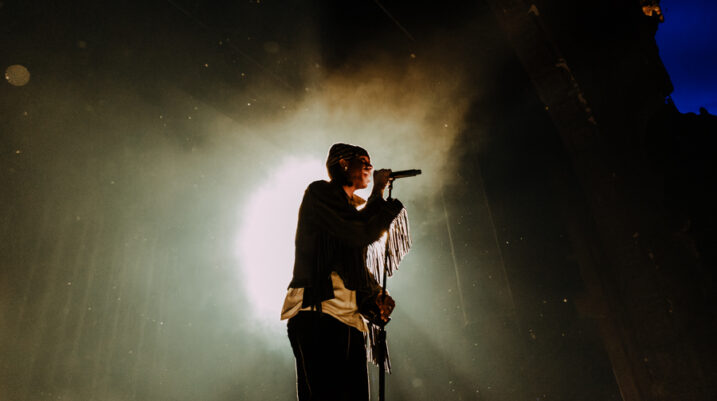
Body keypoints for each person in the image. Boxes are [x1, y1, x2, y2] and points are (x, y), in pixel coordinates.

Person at [281, 143, 410, 401]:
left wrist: (375, 298)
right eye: (363, 160)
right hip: (319, 315)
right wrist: (378, 191)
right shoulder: (320, 193)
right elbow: (358, 231)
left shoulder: (350, 214)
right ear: (343, 163)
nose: (370, 167)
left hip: (349, 322)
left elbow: (353, 265)